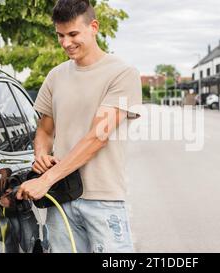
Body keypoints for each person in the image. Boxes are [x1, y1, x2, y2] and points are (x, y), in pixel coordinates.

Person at [16, 0, 142, 253]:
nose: (65, 43)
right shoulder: (56, 75)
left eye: (73, 34)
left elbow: (98, 136)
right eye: (60, 35)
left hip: (103, 199)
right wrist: (41, 155)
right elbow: (44, 130)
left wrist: (46, 180)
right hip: (62, 197)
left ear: (93, 27)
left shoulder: (122, 73)